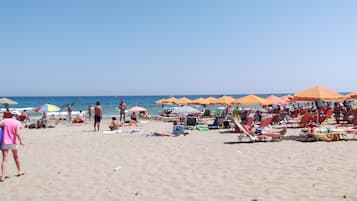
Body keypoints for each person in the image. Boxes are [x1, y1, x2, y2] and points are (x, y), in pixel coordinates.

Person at [0, 112, 24, 182]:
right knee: (16, 157)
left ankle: (3, 176)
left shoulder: (4, 120)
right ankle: (19, 171)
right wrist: (21, 141)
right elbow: (17, 133)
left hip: (4, 141)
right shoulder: (17, 122)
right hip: (13, 142)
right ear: (17, 116)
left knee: (4, 159)